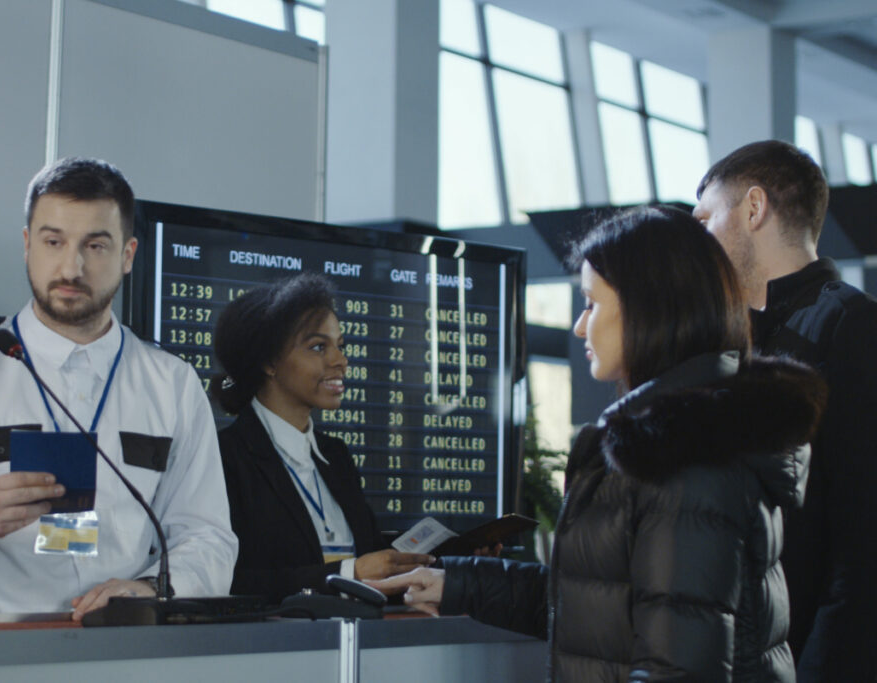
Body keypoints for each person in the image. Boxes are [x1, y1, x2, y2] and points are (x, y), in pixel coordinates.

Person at [370, 207, 826, 682]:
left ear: (648, 307)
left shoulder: (686, 456)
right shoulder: (684, 438)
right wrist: (456, 583)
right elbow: (602, 604)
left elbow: (681, 670)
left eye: (591, 303)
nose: (580, 327)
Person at [0, 157, 237, 619]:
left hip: (123, 646)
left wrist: (152, 588)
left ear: (128, 255)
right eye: (53, 241)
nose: (71, 267)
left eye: (95, 245)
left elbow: (208, 535)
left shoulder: (172, 383)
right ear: (26, 245)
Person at [694, 140, 877, 681]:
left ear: (754, 208)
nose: (698, 241)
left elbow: (863, 546)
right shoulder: (738, 340)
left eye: (705, 219)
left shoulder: (852, 329)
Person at [209, 273, 433, 603]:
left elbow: (370, 560)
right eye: (318, 347)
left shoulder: (336, 456)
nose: (340, 361)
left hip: (356, 642)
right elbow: (225, 580)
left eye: (340, 347)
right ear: (269, 362)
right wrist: (347, 575)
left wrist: (434, 557)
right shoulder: (225, 457)